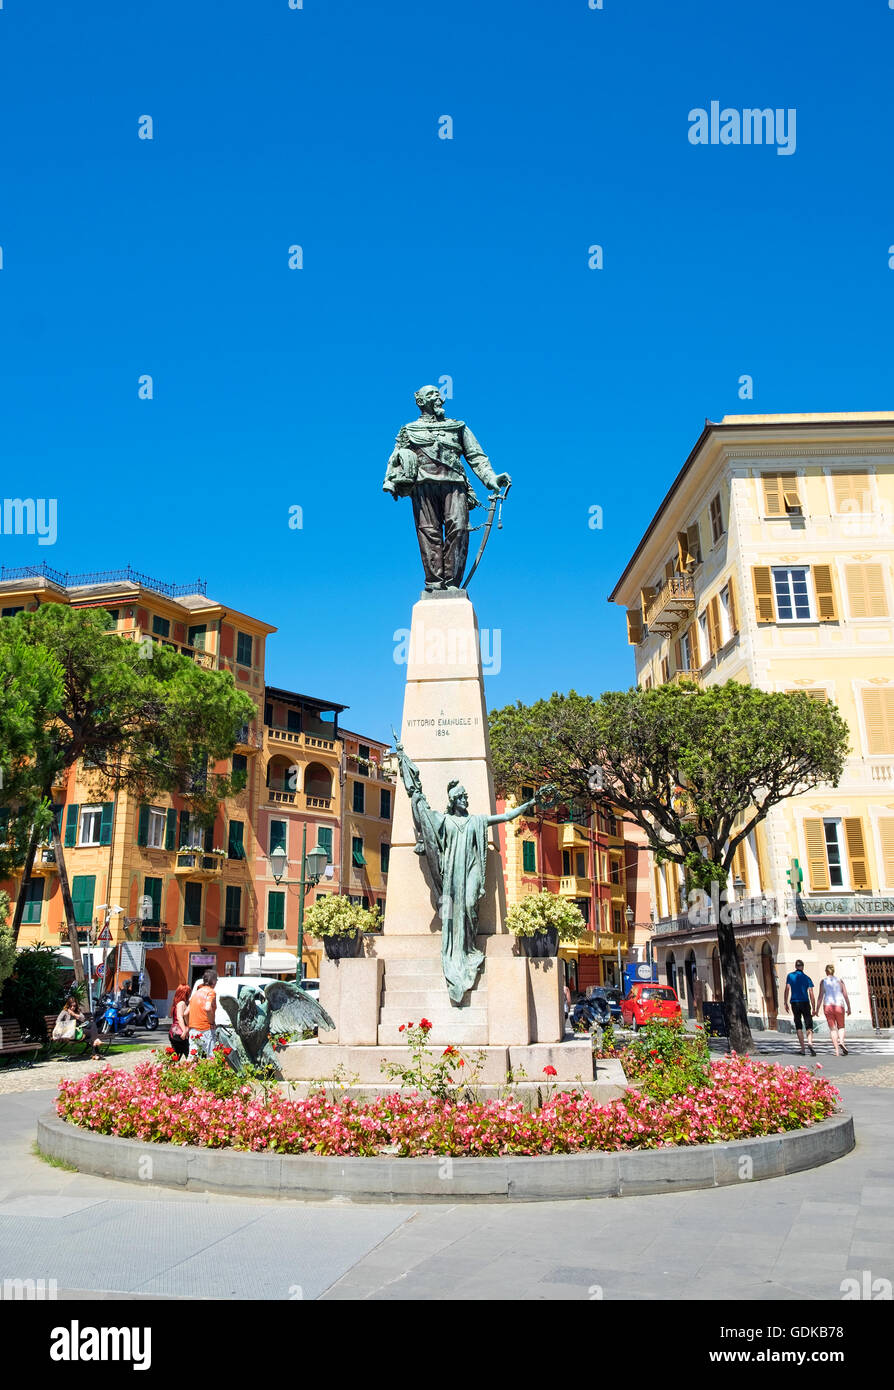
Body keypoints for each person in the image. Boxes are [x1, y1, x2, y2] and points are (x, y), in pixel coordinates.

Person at [816, 964, 851, 1056]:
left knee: (832, 1029)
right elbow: (845, 995)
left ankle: (836, 1051)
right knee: (841, 1026)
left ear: (826, 972)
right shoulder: (840, 981)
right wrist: (849, 1007)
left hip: (828, 1005)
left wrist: (816, 1009)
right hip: (839, 1005)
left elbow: (820, 996)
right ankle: (842, 1042)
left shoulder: (823, 981)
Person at [783, 959, 816, 1056]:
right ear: (803, 967)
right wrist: (813, 1007)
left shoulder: (790, 976)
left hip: (795, 1002)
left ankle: (802, 1048)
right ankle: (810, 1042)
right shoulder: (807, 978)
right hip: (805, 1002)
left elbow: (787, 989)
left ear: (795, 966)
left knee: (798, 1025)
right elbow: (811, 993)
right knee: (808, 1023)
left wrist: (785, 1002)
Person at [188, 970, 218, 1058]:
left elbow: (186, 1012)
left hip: (193, 1030)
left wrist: (189, 1025)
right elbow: (208, 1008)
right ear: (213, 981)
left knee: (193, 1057)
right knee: (210, 1057)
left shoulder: (196, 993)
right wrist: (212, 1022)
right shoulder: (211, 992)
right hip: (206, 1029)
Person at [169, 983, 191, 1060]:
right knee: (189, 1054)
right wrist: (185, 1031)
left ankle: (171, 1070)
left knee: (175, 1057)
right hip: (180, 1032)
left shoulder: (175, 1003)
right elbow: (180, 1017)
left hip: (173, 1031)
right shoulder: (181, 1003)